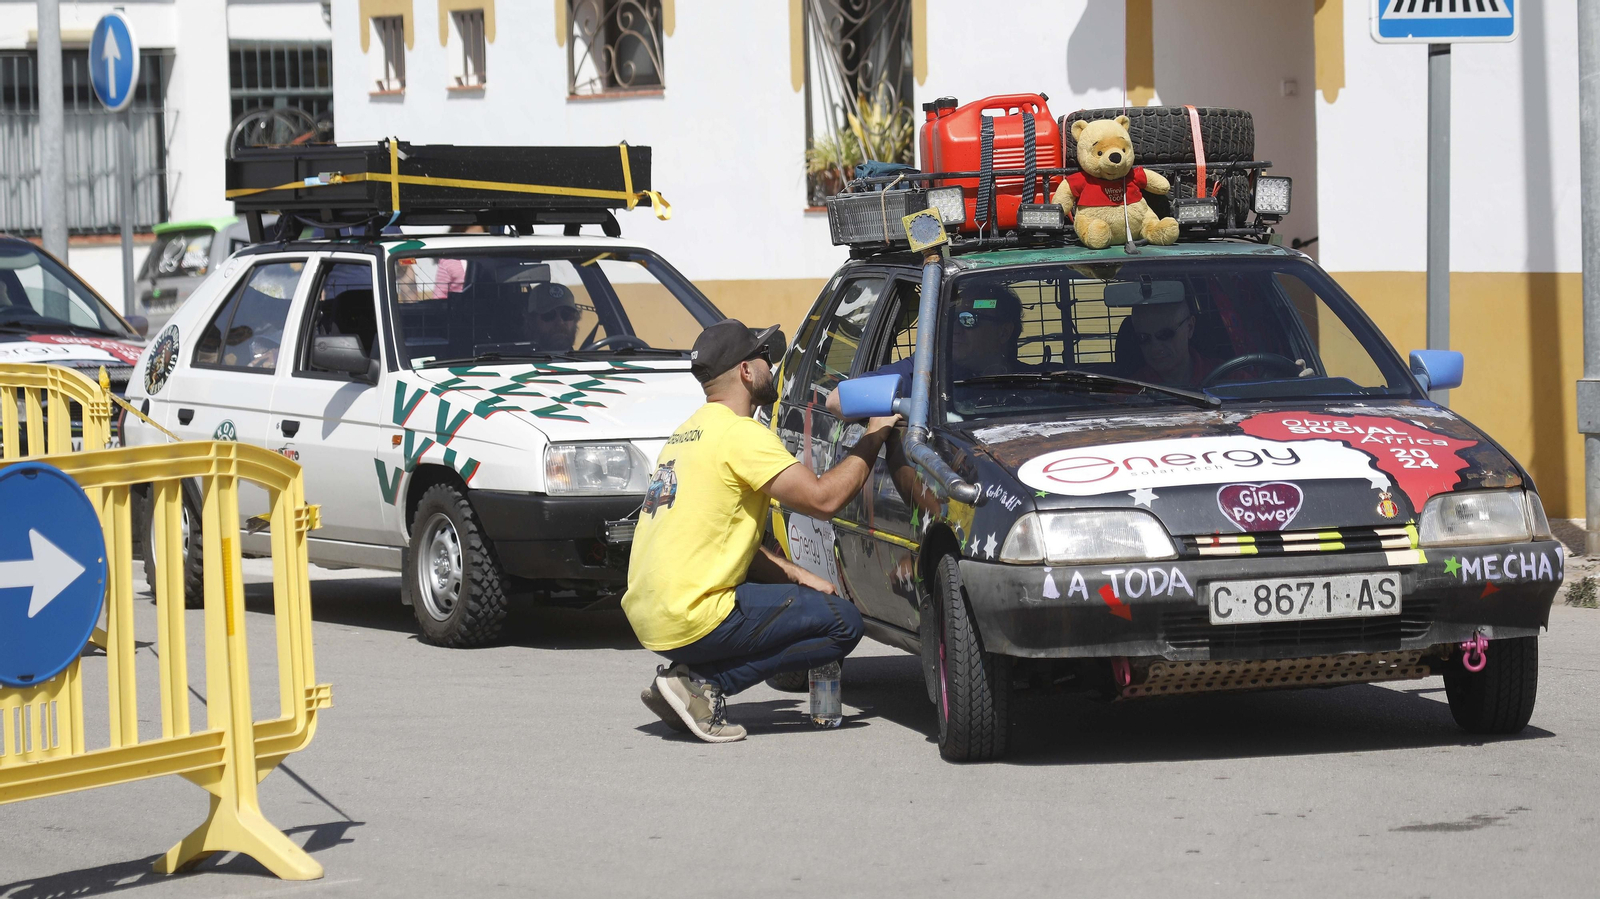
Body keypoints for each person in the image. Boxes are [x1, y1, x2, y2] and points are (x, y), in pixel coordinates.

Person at [626, 319, 900, 743]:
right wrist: (875, 435)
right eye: (765, 358)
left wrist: (800, 575)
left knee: (812, 600)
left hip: (652, 616)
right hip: (694, 615)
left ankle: (687, 681)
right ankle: (703, 685)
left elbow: (724, 537)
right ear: (746, 372)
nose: (772, 366)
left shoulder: (685, 435)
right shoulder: (740, 435)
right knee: (842, 623)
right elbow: (823, 500)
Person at [1128, 298, 1216, 389]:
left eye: (1165, 334)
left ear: (1190, 327)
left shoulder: (1226, 377)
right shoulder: (1130, 392)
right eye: (1143, 338)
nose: (1155, 348)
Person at [522, 282, 581, 351]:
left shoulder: (589, 361)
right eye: (549, 315)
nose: (560, 322)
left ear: (575, 320)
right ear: (531, 321)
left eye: (567, 315)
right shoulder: (521, 362)